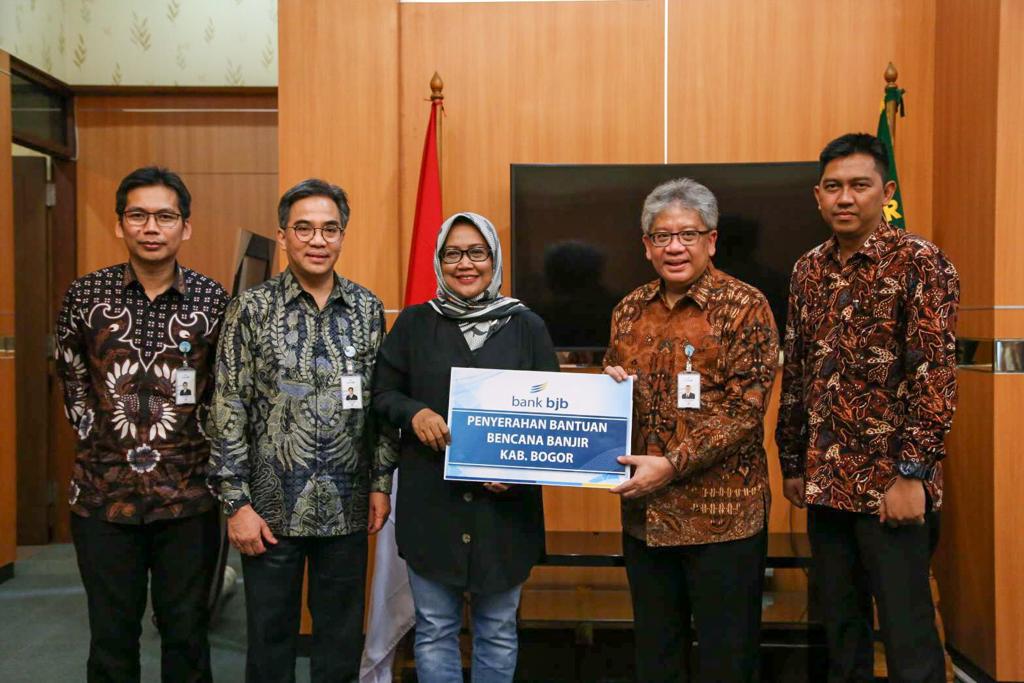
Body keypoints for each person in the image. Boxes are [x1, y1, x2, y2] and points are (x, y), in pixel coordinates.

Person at [776, 133, 959, 683]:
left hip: (892, 487)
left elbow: (935, 378)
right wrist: (791, 462)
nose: (846, 198)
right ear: (818, 196)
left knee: (908, 638)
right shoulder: (807, 270)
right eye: (833, 187)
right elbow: (799, 374)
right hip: (827, 482)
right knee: (841, 632)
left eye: (859, 185)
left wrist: (912, 475)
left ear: (887, 191)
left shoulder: (921, 263)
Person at [207, 178, 397, 683]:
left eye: (330, 229)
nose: (318, 240)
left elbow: (380, 407)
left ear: (343, 235)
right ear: (284, 234)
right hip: (268, 512)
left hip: (348, 506)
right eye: (304, 228)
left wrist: (380, 484)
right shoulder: (251, 309)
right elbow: (227, 407)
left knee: (339, 643)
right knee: (270, 645)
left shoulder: (367, 309)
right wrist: (236, 504)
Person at [55, 166, 229, 682]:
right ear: (120, 224)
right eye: (139, 215)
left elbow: (223, 394)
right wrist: (105, 446)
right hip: (102, 499)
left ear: (185, 227)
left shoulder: (213, 300)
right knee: (111, 637)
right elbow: (70, 378)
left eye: (164, 216)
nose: (151, 227)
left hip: (189, 499)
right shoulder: (86, 296)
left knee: (187, 636)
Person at [603, 178, 779, 682]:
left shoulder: (746, 307)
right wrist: (609, 388)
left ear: (711, 240)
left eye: (687, 234)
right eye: (661, 236)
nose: (674, 246)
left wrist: (672, 465)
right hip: (647, 518)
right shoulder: (627, 310)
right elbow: (621, 396)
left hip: (723, 519)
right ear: (646, 246)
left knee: (728, 659)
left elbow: (744, 412)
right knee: (657, 657)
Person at [373, 212, 558, 683]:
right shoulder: (415, 323)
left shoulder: (527, 326)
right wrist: (414, 413)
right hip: (433, 506)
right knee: (435, 629)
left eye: (477, 252)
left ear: (493, 259)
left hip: (506, 514)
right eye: (452, 253)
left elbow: (554, 412)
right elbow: (382, 394)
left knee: (497, 630)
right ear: (439, 260)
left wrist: (520, 470)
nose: (465, 264)